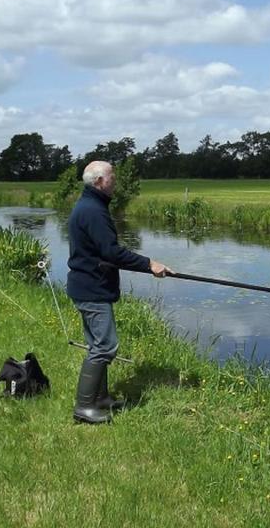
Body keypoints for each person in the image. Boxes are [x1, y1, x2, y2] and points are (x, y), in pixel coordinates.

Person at [67, 160, 171, 423]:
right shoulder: (93, 211)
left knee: (97, 344)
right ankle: (84, 408)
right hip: (92, 288)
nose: (116, 180)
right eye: (113, 176)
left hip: (88, 285)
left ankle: (100, 399)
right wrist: (150, 264)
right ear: (100, 181)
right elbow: (111, 252)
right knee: (105, 346)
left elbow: (105, 252)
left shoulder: (90, 205)